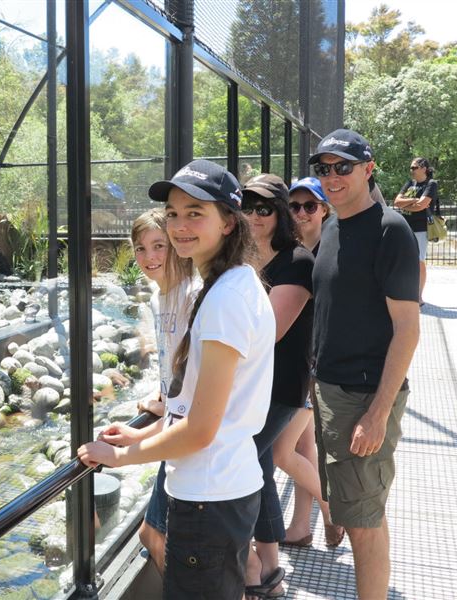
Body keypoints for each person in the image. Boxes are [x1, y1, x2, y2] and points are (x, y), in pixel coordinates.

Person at [77, 159, 275, 599]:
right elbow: (199, 406)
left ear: (228, 222)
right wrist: (137, 437)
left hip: (209, 495)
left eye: (195, 213)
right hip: (223, 487)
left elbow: (202, 430)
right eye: (172, 213)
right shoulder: (235, 283)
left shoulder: (224, 299)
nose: (179, 225)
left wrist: (118, 457)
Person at [310, 129, 420, 599]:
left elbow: (407, 329)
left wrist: (377, 413)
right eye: (324, 168)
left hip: (363, 396)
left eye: (343, 167)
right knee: (352, 514)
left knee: (366, 526)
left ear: (368, 169)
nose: (332, 177)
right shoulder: (332, 225)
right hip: (328, 389)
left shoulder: (390, 230)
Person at [238, 174, 313, 599]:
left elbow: (267, 333)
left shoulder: (297, 262)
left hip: (280, 388)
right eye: (245, 207)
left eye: (263, 208)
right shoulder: (242, 258)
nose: (253, 216)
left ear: (281, 214)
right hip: (249, 386)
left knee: (242, 459)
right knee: (260, 467)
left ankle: (251, 562)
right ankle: (269, 569)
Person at [129, 208, 198, 576]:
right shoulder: (160, 299)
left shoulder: (194, 295)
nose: (149, 257)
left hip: (189, 435)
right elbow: (176, 363)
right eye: (140, 248)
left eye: (159, 246)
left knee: (154, 535)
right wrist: (163, 399)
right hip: (174, 422)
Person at [276, 177, 343, 549]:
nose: (301, 213)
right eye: (294, 206)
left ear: (324, 210)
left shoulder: (332, 253)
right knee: (303, 449)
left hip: (313, 368)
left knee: (279, 452)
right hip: (298, 364)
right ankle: (301, 527)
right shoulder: (289, 251)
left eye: (309, 206)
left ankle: (331, 508)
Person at [393, 157, 439, 303]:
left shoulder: (431, 184)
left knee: (419, 261)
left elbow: (422, 205)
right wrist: (414, 201)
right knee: (404, 261)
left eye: (414, 168)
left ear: (423, 168)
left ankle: (418, 296)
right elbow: (397, 202)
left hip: (421, 228)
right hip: (405, 227)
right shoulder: (409, 183)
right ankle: (405, 292)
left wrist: (408, 204)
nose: (411, 170)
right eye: (411, 168)